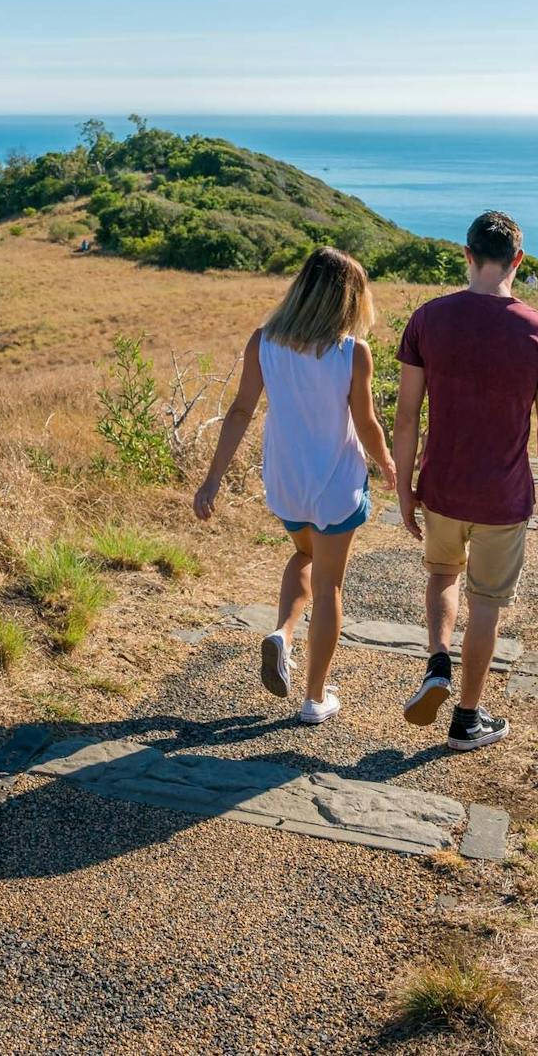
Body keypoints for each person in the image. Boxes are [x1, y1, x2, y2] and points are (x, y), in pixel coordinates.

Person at [193, 247, 397, 724]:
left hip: (285, 482)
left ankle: (282, 634)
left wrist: (212, 480)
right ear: (348, 299)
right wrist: (387, 461)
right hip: (335, 484)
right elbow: (365, 423)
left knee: (304, 555)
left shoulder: (264, 342)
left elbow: (240, 411)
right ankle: (314, 698)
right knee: (329, 588)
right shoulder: (352, 352)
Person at [393, 211, 538, 751]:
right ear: (518, 259)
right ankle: (468, 718)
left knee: (443, 572)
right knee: (486, 602)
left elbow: (406, 417)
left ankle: (437, 664)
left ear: (466, 255)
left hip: (442, 486)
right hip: (503, 496)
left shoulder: (428, 319)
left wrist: (404, 489)